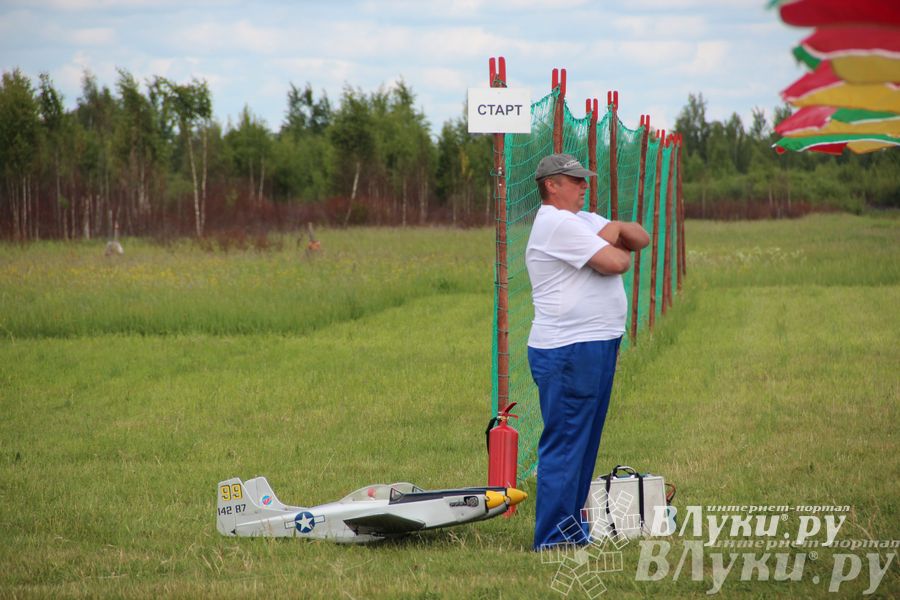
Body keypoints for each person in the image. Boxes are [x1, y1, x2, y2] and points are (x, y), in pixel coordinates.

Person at [526, 153, 649, 550]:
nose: (584, 185)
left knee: (584, 442)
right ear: (551, 185)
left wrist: (612, 227)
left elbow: (639, 238)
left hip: (595, 344)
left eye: (585, 179)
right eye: (575, 180)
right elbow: (618, 262)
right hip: (568, 348)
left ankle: (571, 527)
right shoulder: (555, 223)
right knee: (566, 442)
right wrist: (613, 240)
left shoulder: (587, 221)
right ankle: (554, 536)